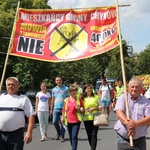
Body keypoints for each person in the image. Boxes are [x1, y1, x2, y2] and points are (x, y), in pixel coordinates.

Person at [114, 77, 150, 150]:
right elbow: (119, 112)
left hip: (140, 141)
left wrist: (136, 124)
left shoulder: (146, 102)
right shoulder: (123, 98)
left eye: (137, 87)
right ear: (128, 88)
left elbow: (148, 118)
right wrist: (129, 125)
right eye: (132, 87)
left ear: (141, 89)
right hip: (123, 140)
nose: (134, 89)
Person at [0, 77, 35, 150]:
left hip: (16, 135)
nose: (10, 86)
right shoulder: (1, 97)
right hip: (1, 135)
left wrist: (29, 132)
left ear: (17, 86)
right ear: (6, 86)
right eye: (8, 84)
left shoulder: (23, 99)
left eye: (13, 84)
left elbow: (30, 116)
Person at [61, 84, 84, 150]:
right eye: (72, 90)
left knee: (74, 135)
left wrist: (80, 109)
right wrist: (62, 117)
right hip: (68, 120)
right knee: (71, 136)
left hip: (76, 120)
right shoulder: (66, 100)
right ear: (70, 92)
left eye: (75, 90)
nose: (74, 92)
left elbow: (83, 109)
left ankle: (73, 149)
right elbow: (63, 109)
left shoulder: (79, 99)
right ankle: (73, 148)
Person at [50, 76, 70, 142]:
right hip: (56, 108)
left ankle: (62, 136)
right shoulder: (53, 89)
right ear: (55, 81)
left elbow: (68, 99)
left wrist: (68, 108)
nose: (58, 81)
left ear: (62, 80)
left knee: (63, 123)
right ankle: (59, 133)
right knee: (54, 122)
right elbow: (52, 100)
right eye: (57, 80)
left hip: (64, 108)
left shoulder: (66, 88)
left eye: (59, 80)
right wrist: (51, 109)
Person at [82, 83, 99, 150]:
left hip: (95, 118)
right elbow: (80, 106)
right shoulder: (82, 98)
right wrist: (81, 109)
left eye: (90, 88)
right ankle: (92, 146)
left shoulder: (96, 97)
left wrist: (94, 108)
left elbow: (101, 106)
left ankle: (93, 148)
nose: (89, 89)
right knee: (89, 135)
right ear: (85, 90)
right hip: (86, 119)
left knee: (94, 134)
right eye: (88, 88)